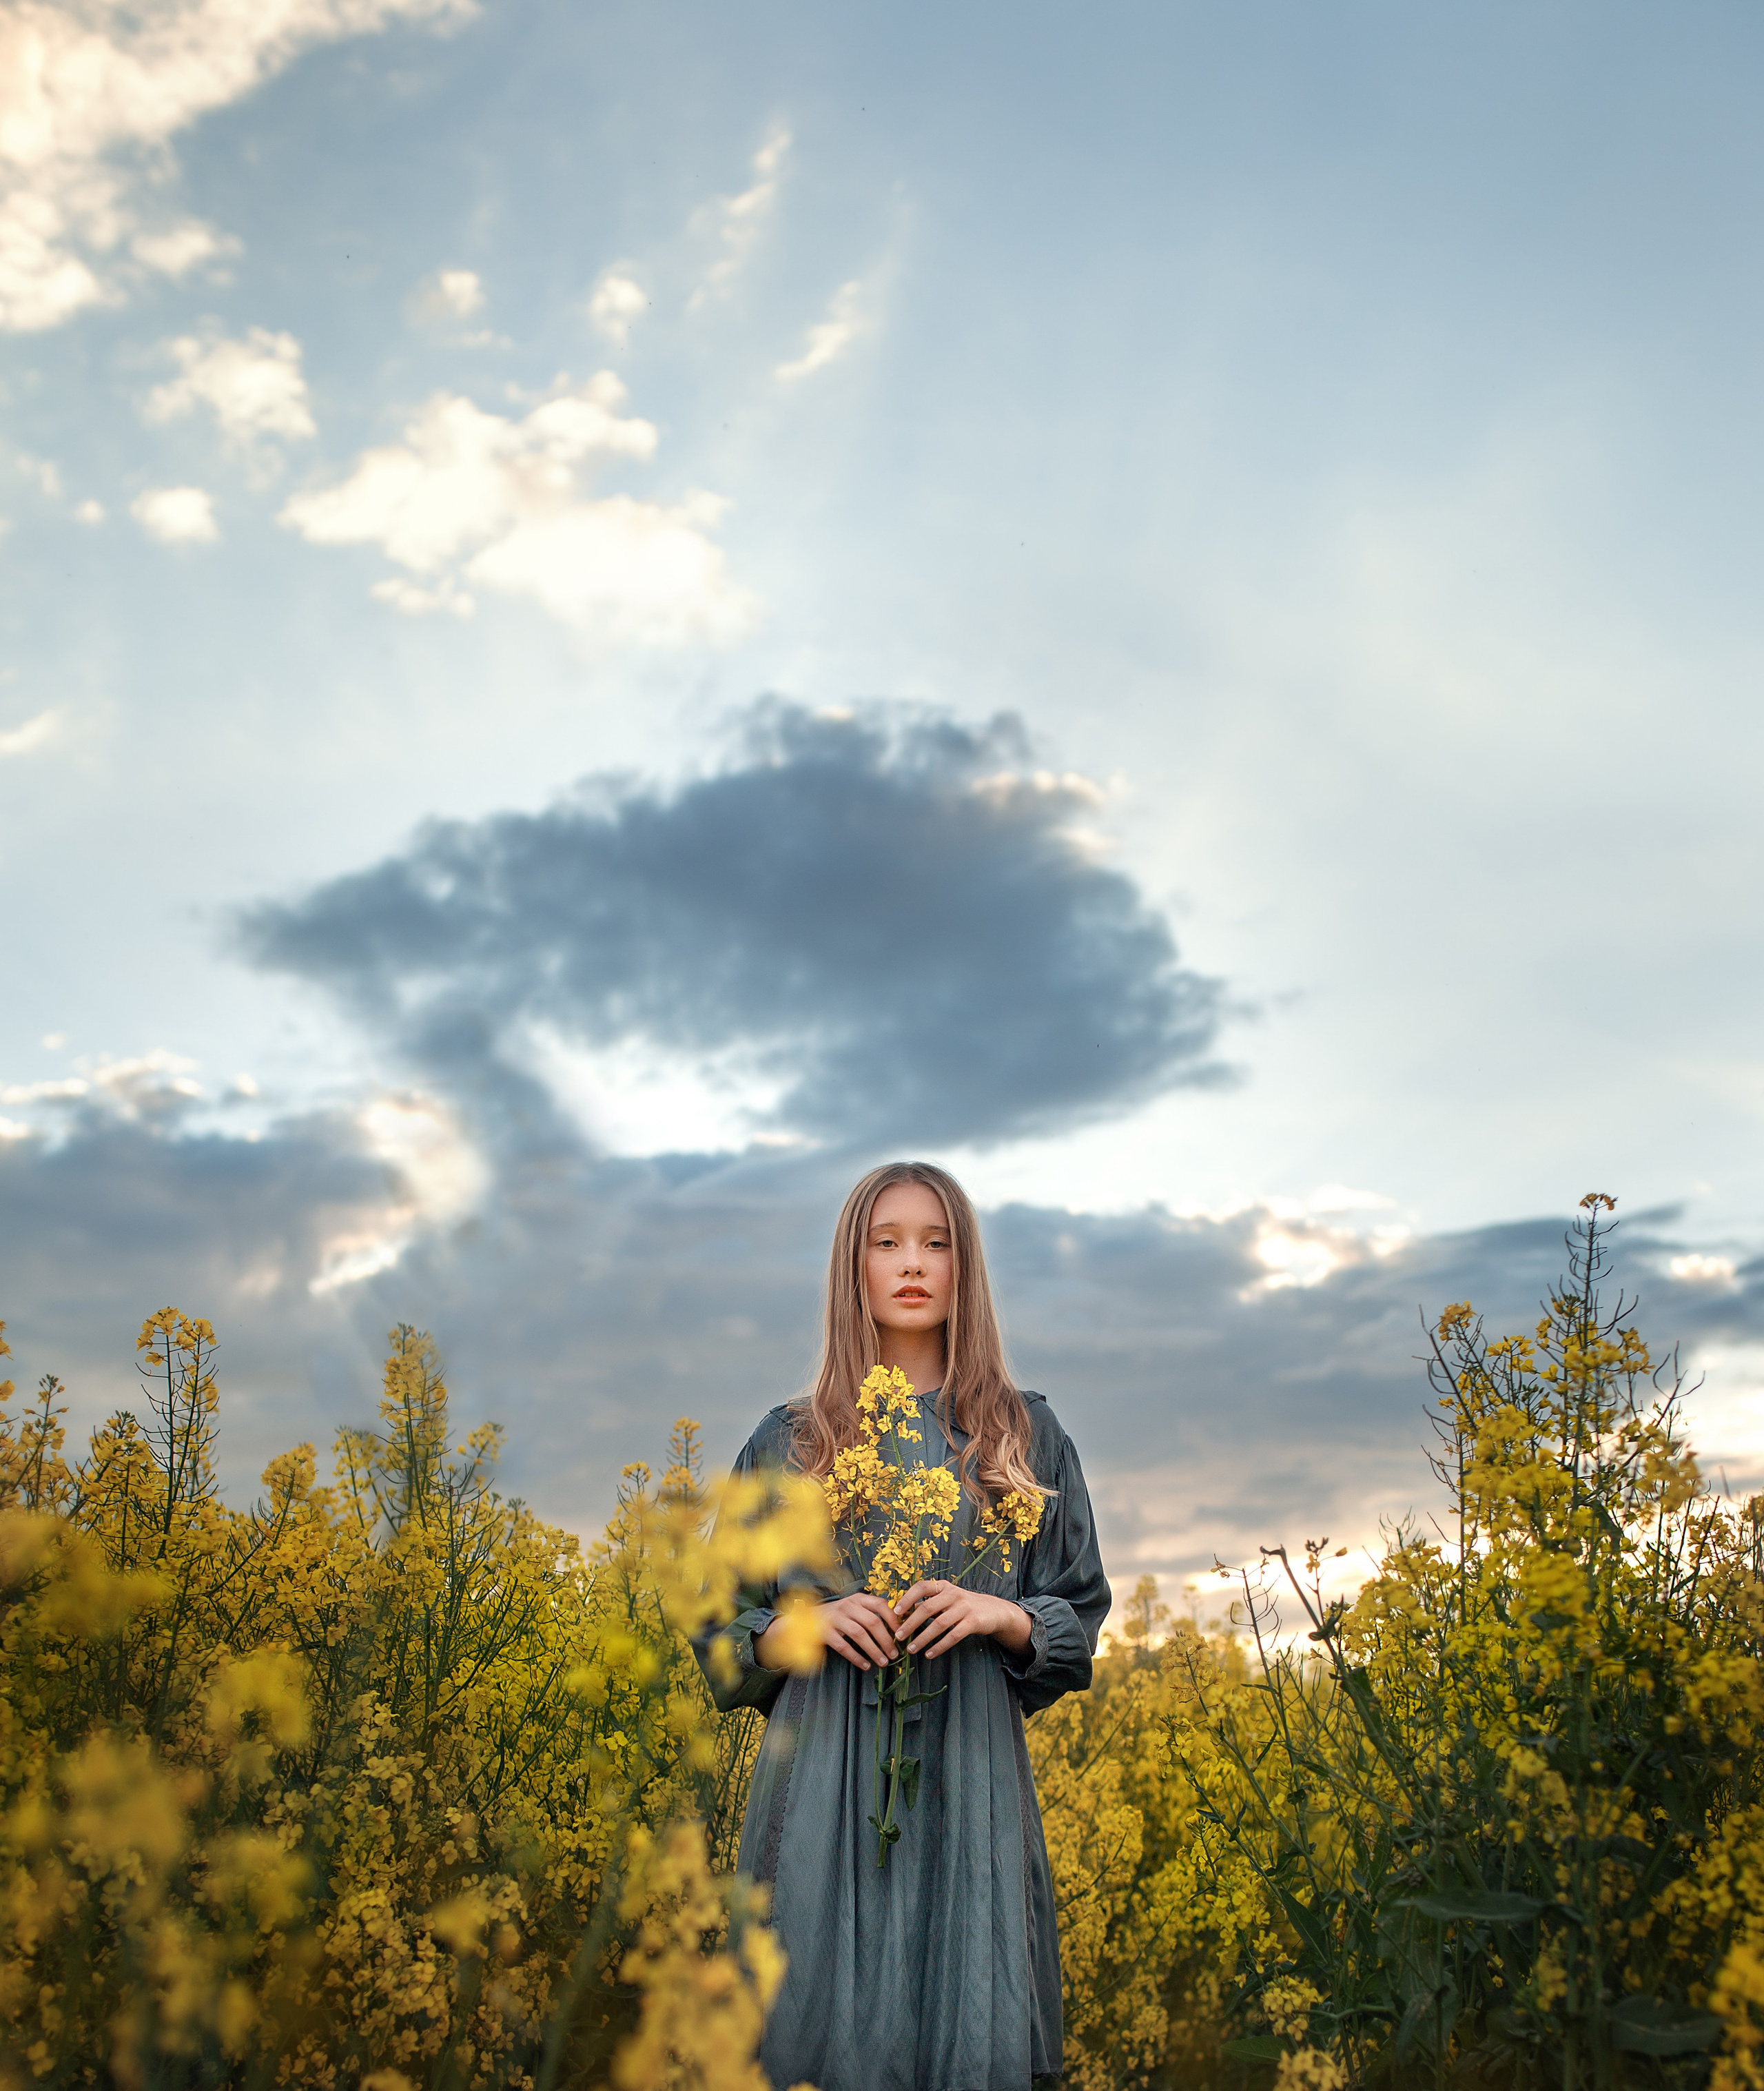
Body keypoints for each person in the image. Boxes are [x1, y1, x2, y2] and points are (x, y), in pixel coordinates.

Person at [695, 1160, 1111, 2091]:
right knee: (812, 2032)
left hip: (973, 1783)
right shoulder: (789, 1440)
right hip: (821, 1794)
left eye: (937, 1241)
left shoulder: (1024, 1433)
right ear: (856, 1266)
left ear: (966, 1267)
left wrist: (999, 1611)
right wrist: (808, 1624)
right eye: (887, 1242)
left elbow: (1078, 1617)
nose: (912, 1262)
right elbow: (721, 1634)